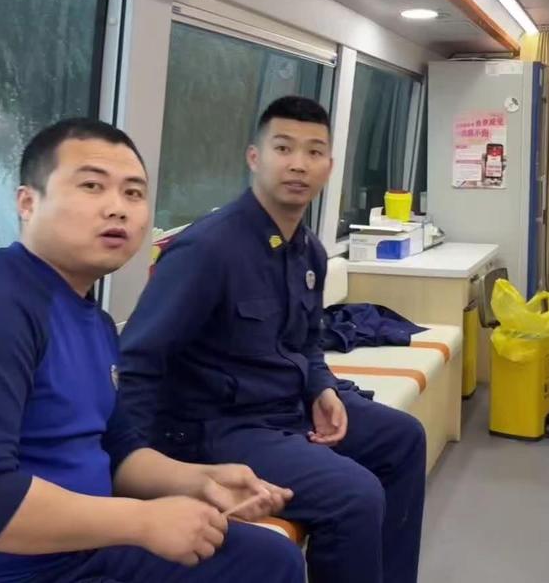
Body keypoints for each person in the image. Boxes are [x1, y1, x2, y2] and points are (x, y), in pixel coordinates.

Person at [0, 119, 304, 583]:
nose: (118, 208)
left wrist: (200, 481)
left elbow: (116, 448)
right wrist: (142, 521)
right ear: (27, 203)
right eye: (92, 186)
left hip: (71, 552)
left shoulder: (91, 318)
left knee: (270, 560)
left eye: (133, 193)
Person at [119, 96, 426, 583]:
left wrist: (322, 388)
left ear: (328, 167)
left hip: (286, 408)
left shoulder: (310, 252)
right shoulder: (207, 249)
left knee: (404, 438)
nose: (298, 164)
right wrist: (134, 471)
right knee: (355, 495)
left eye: (314, 152)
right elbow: (139, 359)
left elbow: (307, 343)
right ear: (254, 157)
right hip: (217, 428)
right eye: (283, 148)